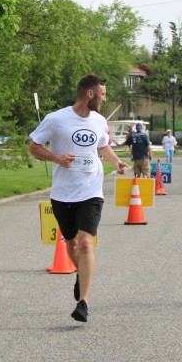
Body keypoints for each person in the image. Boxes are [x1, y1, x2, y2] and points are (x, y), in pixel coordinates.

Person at [28, 75, 129, 323]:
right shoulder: (56, 119)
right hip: (62, 193)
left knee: (85, 243)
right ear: (90, 94)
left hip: (91, 191)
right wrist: (57, 158)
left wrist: (116, 161)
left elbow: (102, 146)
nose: (104, 99)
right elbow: (34, 146)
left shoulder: (99, 121)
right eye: (102, 95)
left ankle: (83, 302)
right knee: (71, 244)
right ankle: (81, 274)